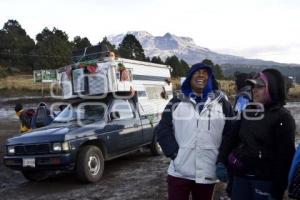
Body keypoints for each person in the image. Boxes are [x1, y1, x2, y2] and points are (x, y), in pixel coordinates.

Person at [155, 63, 234, 200]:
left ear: (209, 78)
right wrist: (174, 153)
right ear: (190, 78)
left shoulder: (222, 104)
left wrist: (222, 159)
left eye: (205, 73)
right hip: (179, 171)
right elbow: (162, 129)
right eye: (197, 72)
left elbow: (231, 133)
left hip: (207, 170)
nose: (201, 75)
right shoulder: (176, 102)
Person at [216, 68, 296, 200]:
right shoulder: (248, 111)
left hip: (265, 181)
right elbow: (231, 138)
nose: (253, 89)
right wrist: (221, 161)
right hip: (240, 177)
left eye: (259, 86)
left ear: (272, 88)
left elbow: (285, 157)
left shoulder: (283, 118)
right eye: (253, 86)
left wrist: (278, 189)